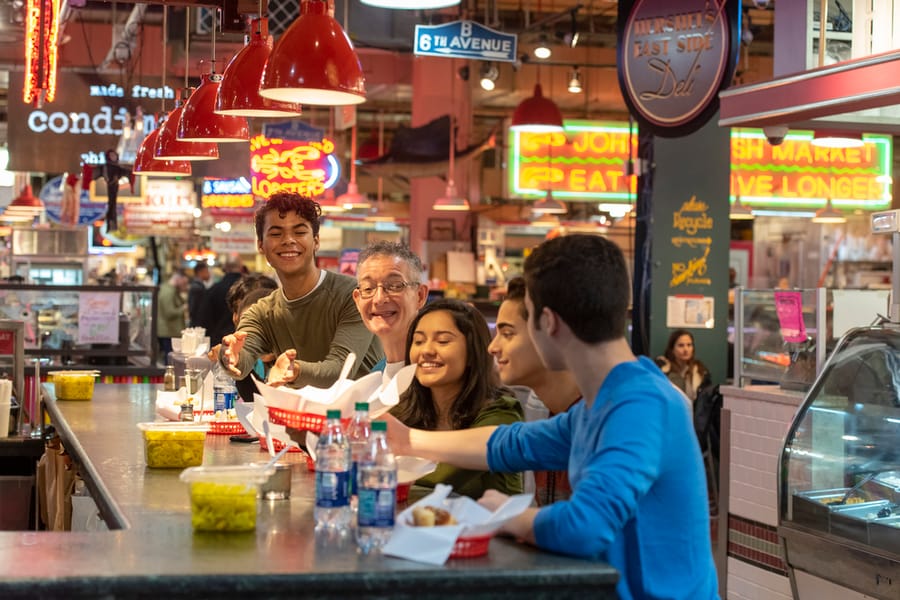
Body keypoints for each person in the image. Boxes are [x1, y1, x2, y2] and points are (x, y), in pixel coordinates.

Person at [387, 235, 717, 600]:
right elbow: (511, 443)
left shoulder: (640, 405)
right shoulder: (605, 401)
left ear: (548, 321)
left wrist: (506, 517)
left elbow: (585, 526)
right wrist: (406, 440)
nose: (495, 344)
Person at [220, 192, 382, 388]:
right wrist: (230, 356)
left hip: (361, 415)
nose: (288, 240)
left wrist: (295, 370)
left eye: (299, 232)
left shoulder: (353, 296)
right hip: (302, 416)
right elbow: (242, 359)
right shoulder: (262, 312)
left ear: (316, 241)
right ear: (261, 245)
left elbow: (339, 370)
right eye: (276, 233)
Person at [390, 298, 523, 500]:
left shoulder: (501, 412)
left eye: (443, 341)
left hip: (485, 528)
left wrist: (400, 447)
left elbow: (446, 475)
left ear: (472, 352)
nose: (426, 351)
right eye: (418, 341)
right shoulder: (404, 409)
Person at [487, 276, 580, 505]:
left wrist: (510, 518)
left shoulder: (619, 411)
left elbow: (590, 526)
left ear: (550, 328)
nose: (493, 347)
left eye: (507, 334)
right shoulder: (543, 407)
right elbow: (501, 443)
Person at [352, 241, 428, 378]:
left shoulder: (432, 369)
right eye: (368, 288)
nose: (379, 299)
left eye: (395, 286)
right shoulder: (375, 375)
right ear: (357, 300)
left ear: (420, 296)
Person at [198, 256, 244, 346]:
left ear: (225, 268)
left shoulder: (213, 290)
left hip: (218, 342)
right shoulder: (251, 290)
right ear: (241, 267)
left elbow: (204, 319)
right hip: (244, 343)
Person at [655, 329, 710, 403]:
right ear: (672, 349)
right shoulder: (663, 368)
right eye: (681, 345)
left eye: (689, 345)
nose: (686, 349)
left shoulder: (700, 370)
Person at [156, 270, 188, 361]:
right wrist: (184, 308)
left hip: (169, 331)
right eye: (184, 282)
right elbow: (169, 313)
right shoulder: (168, 292)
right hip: (168, 332)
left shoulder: (170, 290)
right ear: (178, 279)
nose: (184, 285)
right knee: (170, 360)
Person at [187, 262, 211, 328]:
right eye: (207, 271)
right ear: (200, 272)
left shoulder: (197, 286)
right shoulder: (197, 287)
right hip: (197, 325)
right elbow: (194, 309)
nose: (209, 274)